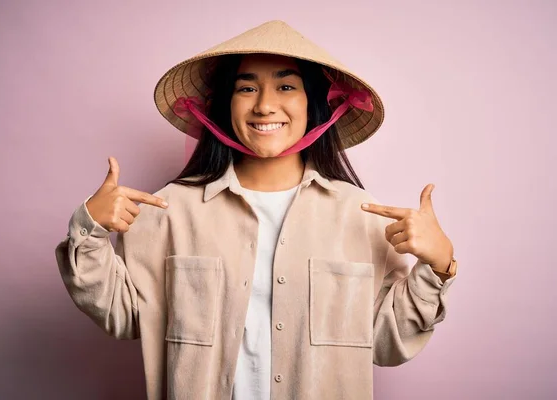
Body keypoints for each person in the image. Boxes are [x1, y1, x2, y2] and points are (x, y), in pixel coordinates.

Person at [55, 20, 458, 400]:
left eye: (286, 87)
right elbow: (124, 317)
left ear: (314, 104)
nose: (265, 106)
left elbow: (387, 345)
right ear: (225, 104)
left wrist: (438, 266)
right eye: (247, 88)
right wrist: (89, 228)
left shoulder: (362, 216)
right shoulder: (168, 209)